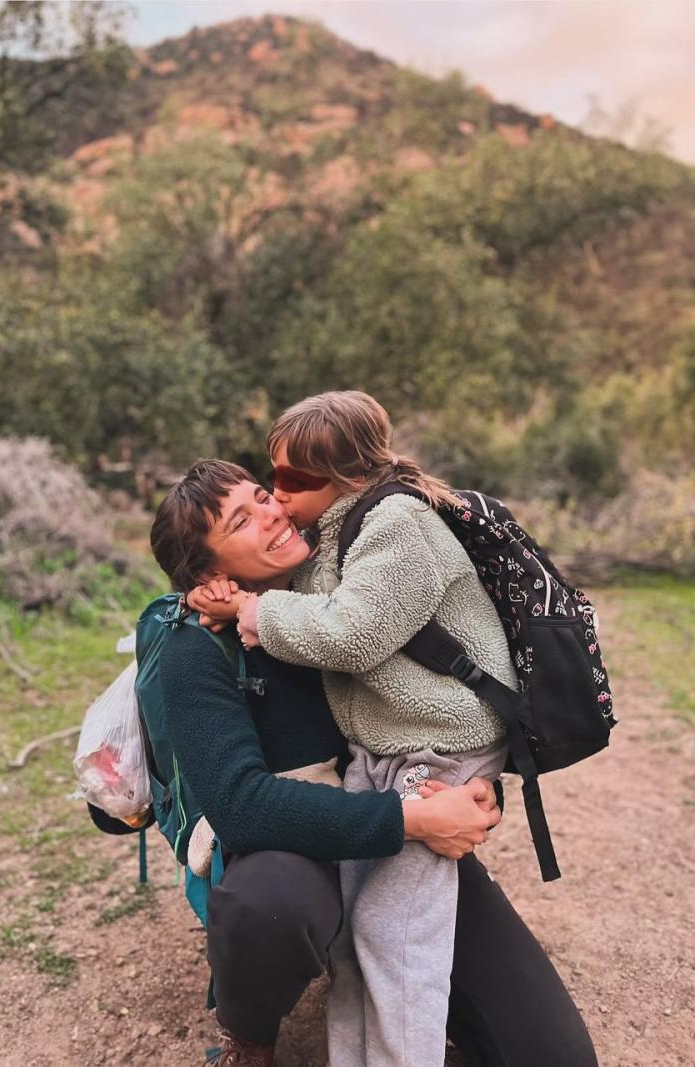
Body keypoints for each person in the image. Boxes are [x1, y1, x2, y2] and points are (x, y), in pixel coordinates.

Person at [149, 459, 597, 1067]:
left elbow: (427, 714)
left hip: (393, 838)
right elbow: (240, 808)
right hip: (299, 850)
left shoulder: (347, 593)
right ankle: (249, 1034)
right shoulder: (194, 647)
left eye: (263, 496)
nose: (273, 514)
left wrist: (471, 785)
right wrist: (411, 820)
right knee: (269, 902)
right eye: (242, 521)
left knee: (553, 1055)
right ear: (207, 569)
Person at [188, 392, 517, 1066]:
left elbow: (353, 634)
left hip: (440, 748)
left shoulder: (395, 522)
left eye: (292, 481)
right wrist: (220, 596)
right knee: (351, 941)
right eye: (270, 476)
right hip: (389, 753)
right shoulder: (336, 533)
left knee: (395, 936)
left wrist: (253, 611)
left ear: (349, 475)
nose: (279, 497)